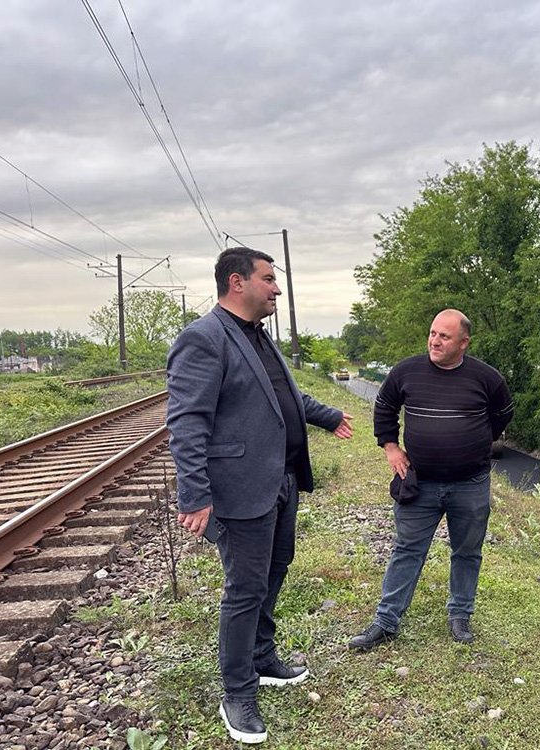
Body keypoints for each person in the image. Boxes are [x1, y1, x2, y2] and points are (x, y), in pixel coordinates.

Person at [166, 247, 353, 745]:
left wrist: (328, 415)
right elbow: (186, 422)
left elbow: (282, 396)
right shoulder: (204, 338)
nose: (276, 288)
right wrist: (194, 495)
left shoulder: (257, 334)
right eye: (268, 279)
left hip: (280, 480)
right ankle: (237, 692)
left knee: (275, 569)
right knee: (245, 589)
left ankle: (262, 657)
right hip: (240, 487)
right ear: (237, 282)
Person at [348, 309, 513, 650]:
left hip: (470, 484)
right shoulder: (406, 371)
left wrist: (474, 441)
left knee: (467, 552)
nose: (434, 341)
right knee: (407, 549)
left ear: (464, 343)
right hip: (418, 481)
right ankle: (386, 621)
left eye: (444, 336)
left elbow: (502, 414)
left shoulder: (487, 378)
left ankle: (460, 615)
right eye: (433, 333)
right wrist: (391, 447)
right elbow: (385, 406)